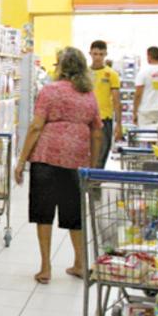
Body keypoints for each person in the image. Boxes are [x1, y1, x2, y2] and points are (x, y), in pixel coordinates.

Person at [14, 47, 103, 285]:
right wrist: (92, 166)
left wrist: (21, 161)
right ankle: (80, 264)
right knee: (74, 213)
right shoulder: (89, 95)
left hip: (46, 158)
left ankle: (45, 267)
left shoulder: (50, 90)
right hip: (76, 161)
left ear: (61, 66)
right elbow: (97, 133)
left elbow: (36, 126)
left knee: (43, 212)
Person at [88, 40, 123, 166]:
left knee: (101, 156)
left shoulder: (112, 75)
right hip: (86, 119)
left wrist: (119, 125)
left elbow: (116, 100)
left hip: (104, 120)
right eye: (95, 54)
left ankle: (97, 178)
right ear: (90, 53)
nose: (98, 57)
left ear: (105, 54)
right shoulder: (84, 73)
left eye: (101, 54)